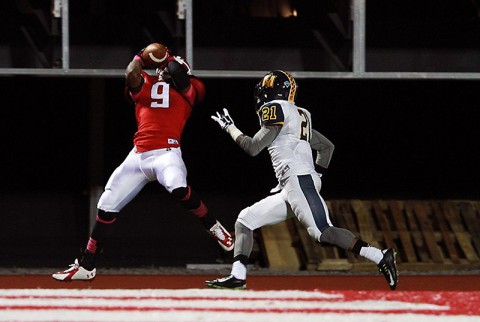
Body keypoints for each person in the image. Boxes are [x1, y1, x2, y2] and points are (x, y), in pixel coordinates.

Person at [52, 43, 234, 281]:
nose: (162, 71)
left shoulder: (190, 89)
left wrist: (166, 58)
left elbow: (178, 73)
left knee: (177, 186)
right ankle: (87, 264)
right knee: (107, 204)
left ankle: (215, 227)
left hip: (167, 152)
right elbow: (131, 74)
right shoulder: (145, 84)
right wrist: (140, 55)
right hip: (138, 155)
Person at [205, 70, 398, 290]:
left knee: (323, 232)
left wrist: (229, 127)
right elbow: (326, 147)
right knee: (245, 220)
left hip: (298, 180)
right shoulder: (300, 113)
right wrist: (317, 175)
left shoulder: (274, 108)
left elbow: (252, 147)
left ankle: (380, 256)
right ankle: (238, 276)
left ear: (272, 88)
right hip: (294, 183)